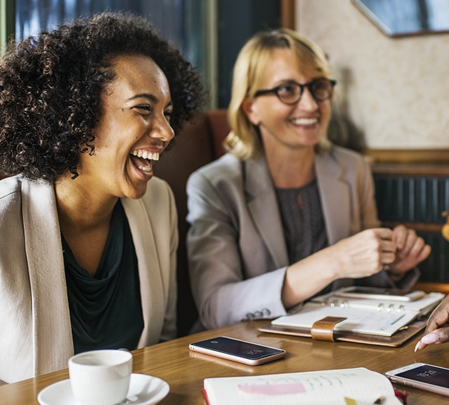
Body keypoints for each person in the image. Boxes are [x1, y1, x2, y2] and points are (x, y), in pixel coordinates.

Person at [0, 12, 203, 383]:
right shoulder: (3, 220)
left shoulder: (158, 203)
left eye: (168, 113)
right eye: (144, 108)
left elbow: (164, 343)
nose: (167, 132)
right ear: (75, 115)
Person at [186, 28, 430, 331]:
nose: (311, 105)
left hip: (337, 343)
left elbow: (363, 283)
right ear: (251, 108)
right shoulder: (214, 185)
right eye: (287, 89)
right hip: (253, 352)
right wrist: (333, 261)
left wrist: (391, 266)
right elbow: (215, 307)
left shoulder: (353, 169)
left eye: (318, 86)